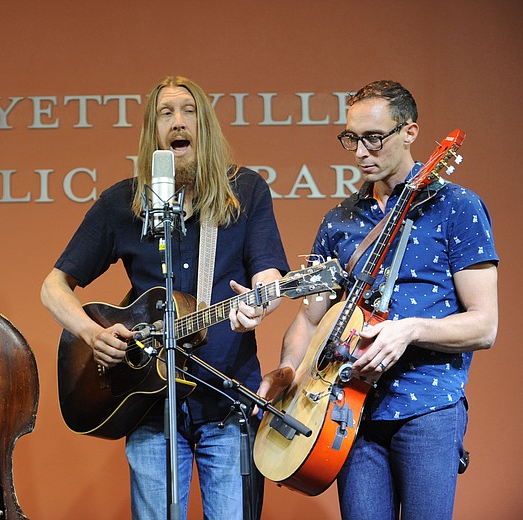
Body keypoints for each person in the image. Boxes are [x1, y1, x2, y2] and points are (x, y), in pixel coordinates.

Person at [41, 75, 289, 519]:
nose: (179, 122)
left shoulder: (245, 191)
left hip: (226, 402)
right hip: (149, 409)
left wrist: (260, 303)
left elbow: (269, 274)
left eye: (189, 111)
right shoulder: (122, 202)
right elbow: (53, 287)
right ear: (152, 132)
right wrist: (90, 332)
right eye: (166, 113)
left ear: (205, 125)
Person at [257, 80, 498, 520]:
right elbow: (309, 321)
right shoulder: (339, 220)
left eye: (374, 138)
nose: (360, 152)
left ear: (409, 132)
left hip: (428, 407)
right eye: (352, 139)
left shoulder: (458, 207)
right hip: (350, 414)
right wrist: (292, 374)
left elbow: (484, 326)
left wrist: (411, 329)